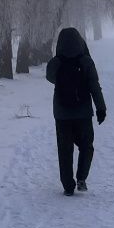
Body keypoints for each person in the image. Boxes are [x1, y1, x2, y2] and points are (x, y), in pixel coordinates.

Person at [45, 27, 106, 196]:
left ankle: (68, 186)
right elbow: (94, 85)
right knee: (86, 146)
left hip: (62, 114)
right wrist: (101, 108)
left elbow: (50, 78)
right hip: (83, 113)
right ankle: (81, 178)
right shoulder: (86, 61)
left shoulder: (55, 62)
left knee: (64, 150)